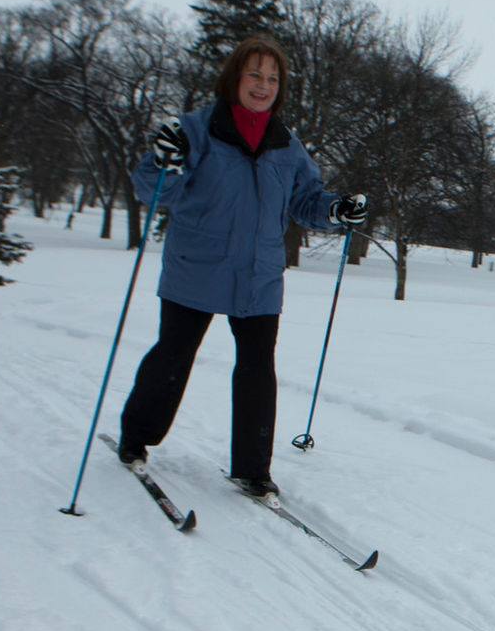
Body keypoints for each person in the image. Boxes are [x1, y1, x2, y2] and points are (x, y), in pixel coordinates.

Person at [114, 35, 369, 500]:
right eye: (255, 74)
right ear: (235, 77)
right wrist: (162, 162)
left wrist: (336, 210)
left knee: (257, 369)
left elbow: (306, 200)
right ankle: (135, 437)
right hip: (197, 268)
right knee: (173, 356)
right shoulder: (195, 130)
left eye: (273, 78)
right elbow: (153, 190)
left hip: (259, 277)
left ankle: (253, 468)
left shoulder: (286, 144)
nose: (263, 85)